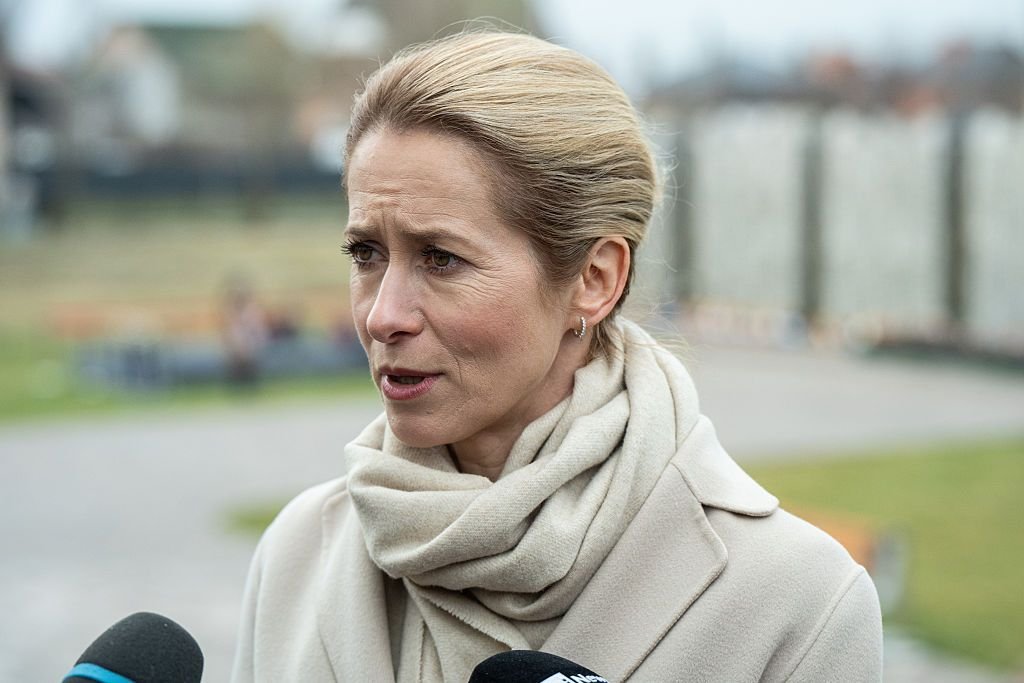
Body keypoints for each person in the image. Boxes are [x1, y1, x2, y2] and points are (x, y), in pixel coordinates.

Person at [231, 31, 882, 682]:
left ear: (595, 279)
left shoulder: (796, 601)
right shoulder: (297, 556)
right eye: (366, 253)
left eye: (441, 258)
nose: (382, 316)